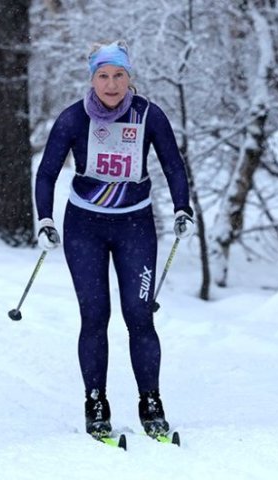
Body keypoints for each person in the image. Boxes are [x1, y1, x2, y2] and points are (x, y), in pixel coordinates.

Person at [34, 40, 195, 439]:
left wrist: (182, 207)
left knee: (139, 317)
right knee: (95, 317)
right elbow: (46, 173)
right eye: (103, 76)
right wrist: (44, 220)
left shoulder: (148, 116)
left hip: (134, 227)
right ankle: (95, 401)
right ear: (92, 79)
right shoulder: (74, 119)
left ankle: (151, 400)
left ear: (129, 77)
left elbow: (173, 164)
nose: (111, 84)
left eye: (118, 75)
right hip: (84, 228)